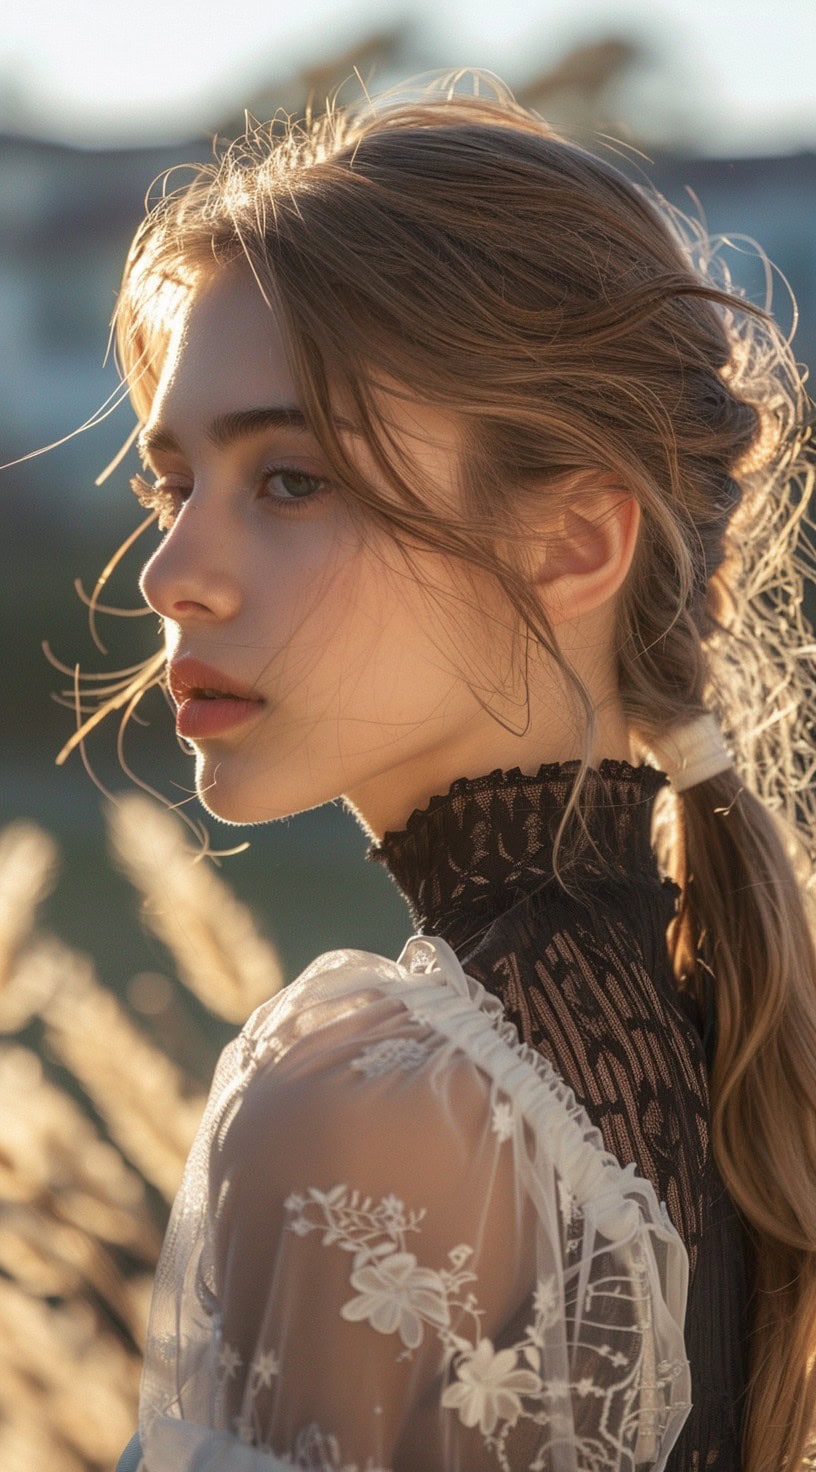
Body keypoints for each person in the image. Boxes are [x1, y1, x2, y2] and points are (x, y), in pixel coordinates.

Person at [102, 77, 816, 1471]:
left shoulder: (371, 1107)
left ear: (572, 543)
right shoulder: (689, 1028)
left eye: (291, 480)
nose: (172, 574)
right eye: (172, 484)